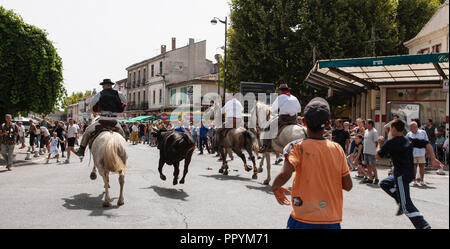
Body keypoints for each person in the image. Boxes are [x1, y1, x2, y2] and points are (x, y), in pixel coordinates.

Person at [271, 97, 352, 229]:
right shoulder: (338, 149)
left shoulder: (295, 147)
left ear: (303, 122)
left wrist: (275, 187)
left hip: (303, 217)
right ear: (328, 124)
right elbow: (348, 185)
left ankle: (265, 145)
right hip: (331, 219)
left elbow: (285, 174)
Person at [376, 119, 443, 229]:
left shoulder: (391, 143)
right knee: (385, 183)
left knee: (406, 205)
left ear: (393, 129)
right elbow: (428, 144)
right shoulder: (409, 139)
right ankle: (401, 201)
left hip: (401, 176)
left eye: (390, 128)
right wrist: (433, 159)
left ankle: (423, 225)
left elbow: (378, 156)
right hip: (410, 174)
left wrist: (379, 143)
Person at [74, 79, 126, 158]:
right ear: (111, 85)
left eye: (103, 85)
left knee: (87, 132)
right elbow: (125, 101)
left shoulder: (100, 94)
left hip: (102, 120)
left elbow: (91, 104)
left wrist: (92, 111)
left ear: (105, 85)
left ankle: (81, 151)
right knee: (122, 135)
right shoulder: (119, 93)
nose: (102, 87)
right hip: (114, 121)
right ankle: (123, 154)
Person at [260, 84, 301, 153]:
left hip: (284, 119)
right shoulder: (294, 98)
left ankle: (266, 146)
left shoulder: (280, 97)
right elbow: (299, 109)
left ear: (281, 91)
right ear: (288, 90)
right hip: (293, 119)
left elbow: (273, 109)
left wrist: (269, 112)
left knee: (267, 128)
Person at [406, 121, 429, 186]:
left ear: (415, 127)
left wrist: (427, 152)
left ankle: (422, 180)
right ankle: (414, 180)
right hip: (412, 153)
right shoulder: (409, 134)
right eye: (410, 127)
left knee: (422, 166)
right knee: (414, 167)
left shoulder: (423, 132)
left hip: (421, 152)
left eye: (411, 127)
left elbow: (427, 142)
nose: (410, 129)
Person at [363, 119, 379, 184]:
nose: (365, 125)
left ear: (370, 124)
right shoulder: (366, 131)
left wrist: (376, 151)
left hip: (372, 152)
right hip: (366, 151)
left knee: (373, 166)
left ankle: (376, 178)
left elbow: (376, 142)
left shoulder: (374, 131)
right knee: (368, 166)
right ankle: (370, 178)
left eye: (366, 123)